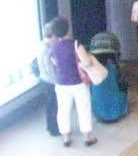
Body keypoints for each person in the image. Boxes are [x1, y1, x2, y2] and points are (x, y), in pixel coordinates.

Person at [48, 16, 97, 147]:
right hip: (78, 82)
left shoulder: (53, 46)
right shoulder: (75, 44)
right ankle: (87, 136)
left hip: (61, 83)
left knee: (63, 110)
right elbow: (86, 62)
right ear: (67, 29)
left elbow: (54, 62)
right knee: (83, 108)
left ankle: (65, 137)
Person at [32, 20, 60, 136]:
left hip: (44, 80)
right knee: (54, 105)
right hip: (50, 81)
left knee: (49, 105)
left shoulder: (41, 45)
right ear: (51, 35)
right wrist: (58, 82)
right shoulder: (47, 49)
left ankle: (51, 126)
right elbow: (50, 69)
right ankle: (55, 128)